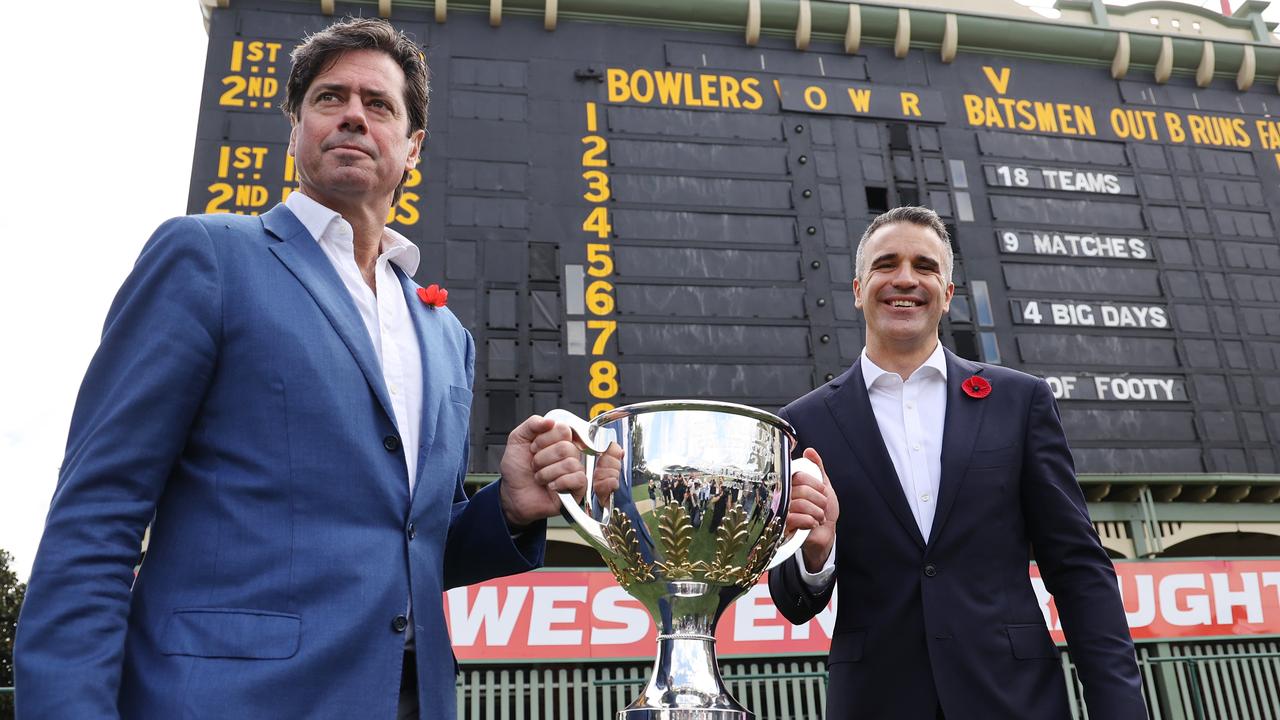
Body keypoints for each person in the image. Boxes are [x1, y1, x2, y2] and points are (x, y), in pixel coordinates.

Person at [15, 17, 619, 719]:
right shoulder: (207, 257)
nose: (354, 116)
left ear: (413, 147)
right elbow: (97, 513)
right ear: (297, 131)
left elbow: (410, 551)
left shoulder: (445, 334)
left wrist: (509, 507)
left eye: (379, 104)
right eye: (331, 98)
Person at [768, 206, 1147, 719]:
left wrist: (1119, 709)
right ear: (858, 288)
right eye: (886, 264)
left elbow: (1078, 568)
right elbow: (793, 603)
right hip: (876, 703)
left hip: (1016, 701)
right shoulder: (801, 424)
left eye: (925, 266)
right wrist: (817, 555)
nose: (905, 278)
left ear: (947, 294)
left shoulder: (1019, 401)